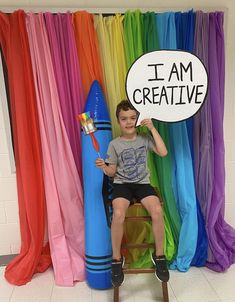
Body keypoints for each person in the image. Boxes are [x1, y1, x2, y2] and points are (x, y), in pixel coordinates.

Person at [96, 100, 169, 287]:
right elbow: (112, 172)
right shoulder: (114, 144)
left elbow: (163, 152)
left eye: (132, 118)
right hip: (123, 186)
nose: (128, 122)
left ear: (137, 119)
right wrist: (104, 167)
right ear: (118, 121)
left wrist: (152, 128)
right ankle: (116, 259)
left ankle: (159, 257)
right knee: (118, 214)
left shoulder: (145, 138)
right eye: (124, 119)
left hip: (143, 184)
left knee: (157, 211)